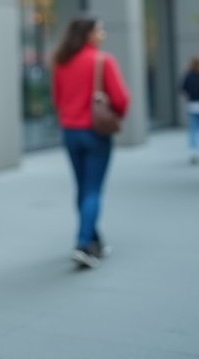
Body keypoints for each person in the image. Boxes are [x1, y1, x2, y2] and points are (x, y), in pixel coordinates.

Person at [50, 14, 130, 269]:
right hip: (95, 132)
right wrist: (114, 116)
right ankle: (83, 244)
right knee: (93, 190)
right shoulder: (102, 61)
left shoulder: (60, 62)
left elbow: (57, 99)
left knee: (83, 187)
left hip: (70, 131)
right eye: (100, 30)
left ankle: (95, 239)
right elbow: (121, 99)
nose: (102, 34)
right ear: (88, 34)